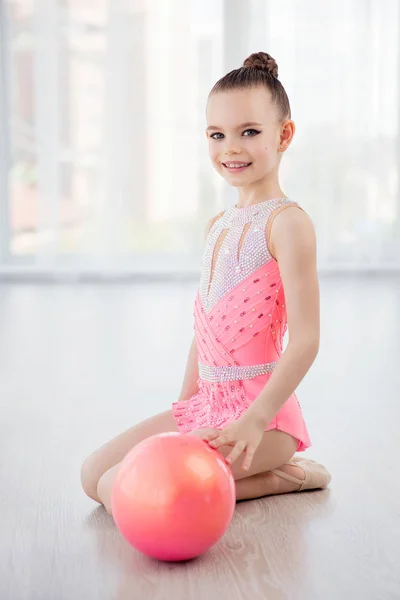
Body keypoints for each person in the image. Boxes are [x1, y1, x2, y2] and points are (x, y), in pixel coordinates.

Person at [81, 51, 331, 515]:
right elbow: (206, 332)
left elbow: (307, 340)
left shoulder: (289, 224)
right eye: (217, 135)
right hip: (209, 407)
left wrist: (254, 423)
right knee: (93, 475)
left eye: (249, 132)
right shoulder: (217, 224)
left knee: (126, 487)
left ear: (284, 135)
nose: (230, 148)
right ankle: (252, 477)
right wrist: (183, 409)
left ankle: (280, 474)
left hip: (264, 420)